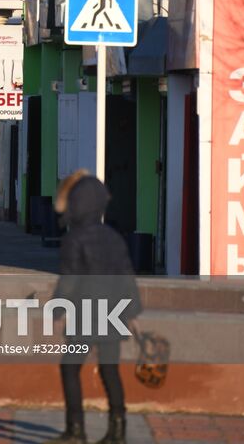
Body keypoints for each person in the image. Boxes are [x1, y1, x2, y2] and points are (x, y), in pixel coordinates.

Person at [46, 170, 142, 444]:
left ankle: (75, 430)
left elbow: (70, 280)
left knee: (69, 368)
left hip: (85, 314)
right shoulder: (113, 236)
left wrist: (58, 311)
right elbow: (127, 275)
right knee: (110, 369)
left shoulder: (74, 239)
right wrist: (132, 313)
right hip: (113, 313)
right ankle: (118, 429)